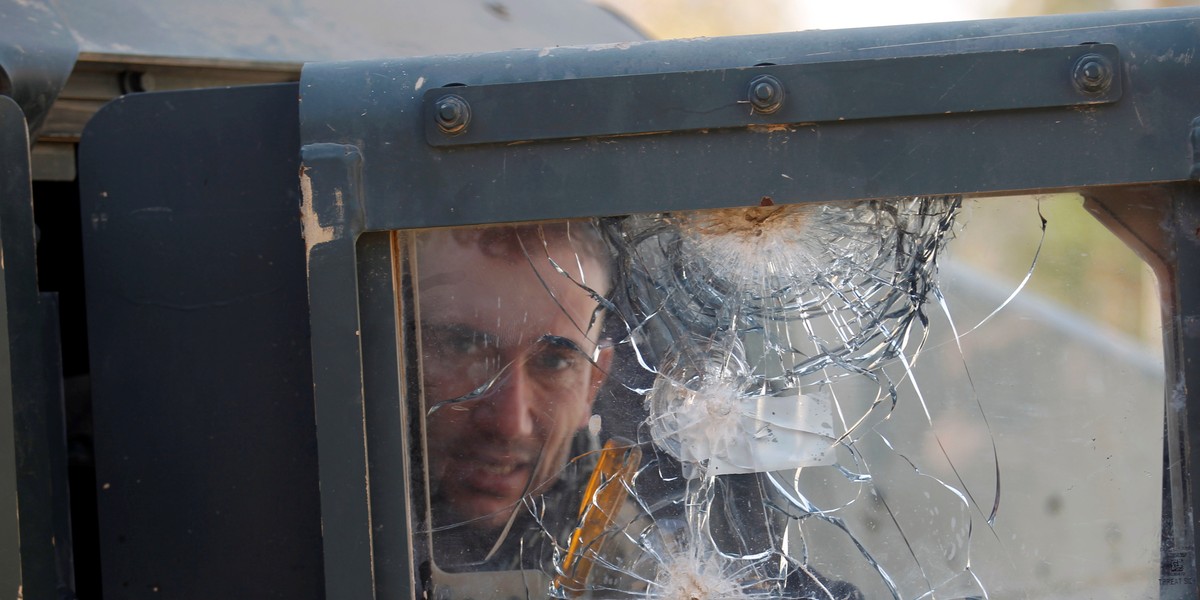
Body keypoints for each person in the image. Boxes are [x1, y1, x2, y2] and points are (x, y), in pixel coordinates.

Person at [414, 222, 614, 569]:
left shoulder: (639, 576)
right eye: (463, 345)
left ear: (592, 383)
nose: (510, 423)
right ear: (400, 354)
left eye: (554, 361)